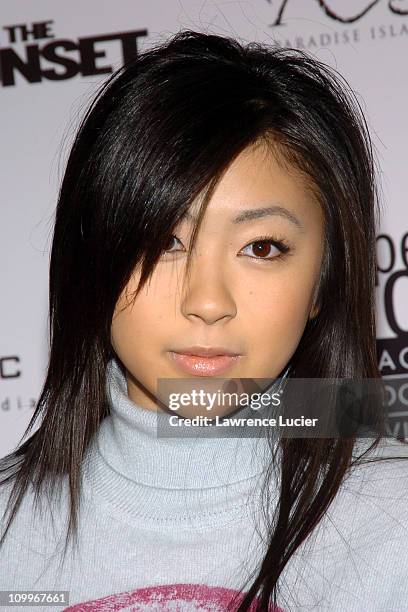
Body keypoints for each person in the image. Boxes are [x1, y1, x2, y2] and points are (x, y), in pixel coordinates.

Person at [0, 29, 407, 612]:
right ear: (90, 261)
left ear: (324, 282)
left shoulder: (397, 524)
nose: (208, 301)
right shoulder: (8, 545)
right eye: (165, 239)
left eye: (262, 248)